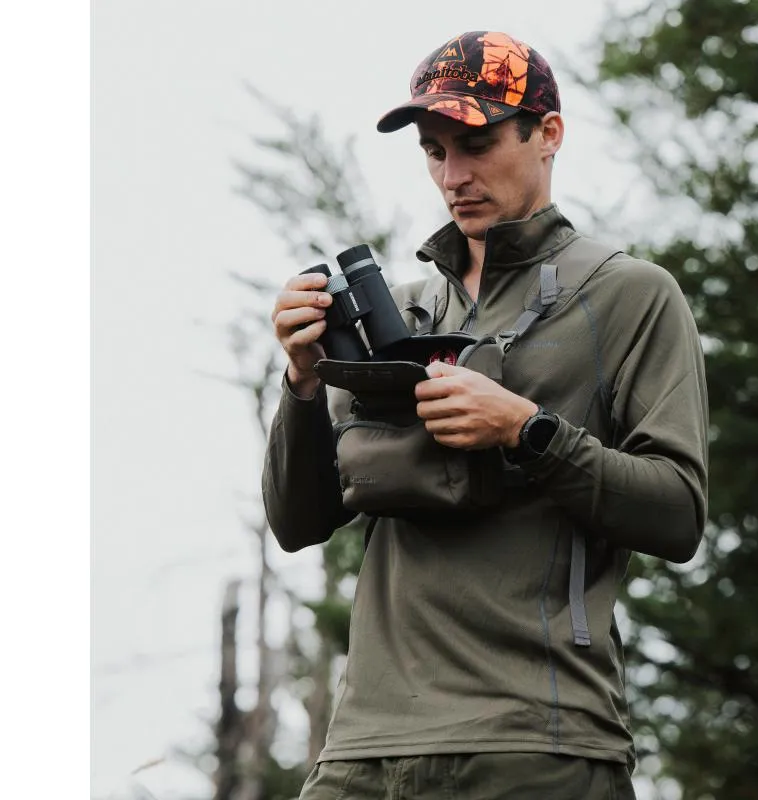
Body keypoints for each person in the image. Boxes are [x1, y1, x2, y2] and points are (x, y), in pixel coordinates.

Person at [264, 30, 709, 800]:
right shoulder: (397, 313)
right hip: (363, 750)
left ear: (549, 134)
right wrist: (302, 381)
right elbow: (300, 521)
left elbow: (678, 515)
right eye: (435, 151)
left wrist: (526, 431)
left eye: (476, 142)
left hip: (537, 747)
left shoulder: (630, 295)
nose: (453, 175)